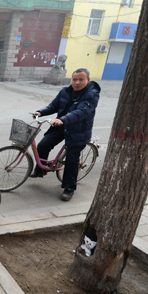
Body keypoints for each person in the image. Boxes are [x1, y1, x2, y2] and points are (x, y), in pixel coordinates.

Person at [30, 68, 100, 201]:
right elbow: (54, 106)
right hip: (61, 125)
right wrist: (40, 112)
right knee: (43, 144)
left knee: (72, 161)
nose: (77, 82)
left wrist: (62, 119)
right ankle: (41, 169)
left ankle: (69, 188)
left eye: (81, 79)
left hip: (78, 130)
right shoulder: (65, 91)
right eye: (74, 79)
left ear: (88, 80)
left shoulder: (92, 95)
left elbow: (81, 112)